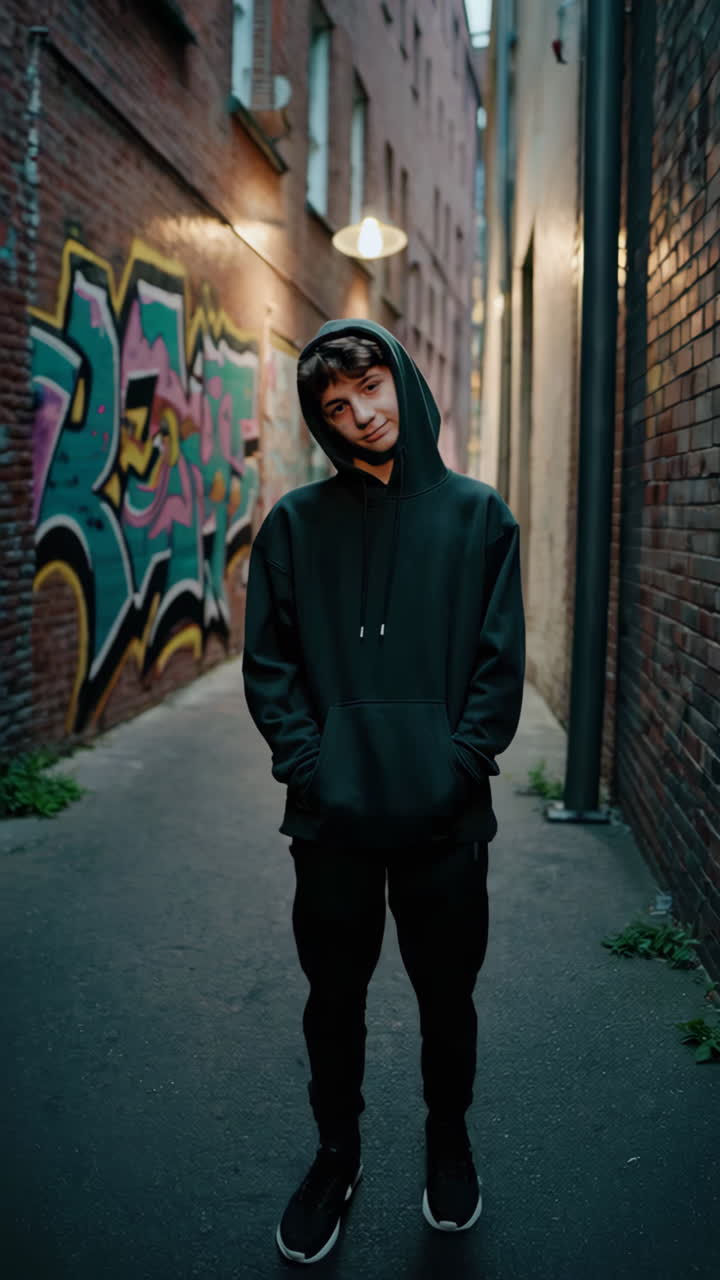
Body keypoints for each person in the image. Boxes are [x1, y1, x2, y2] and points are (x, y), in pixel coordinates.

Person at [242, 319, 525, 1265]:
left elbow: (497, 667)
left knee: (448, 996)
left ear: (402, 379)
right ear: (322, 423)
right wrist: (309, 764)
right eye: (336, 407)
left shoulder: (480, 516)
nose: (361, 415)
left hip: (446, 820)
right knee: (334, 998)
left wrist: (459, 765)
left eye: (371, 388)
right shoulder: (294, 525)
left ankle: (449, 1138)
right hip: (333, 821)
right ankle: (337, 1153)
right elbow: (270, 665)